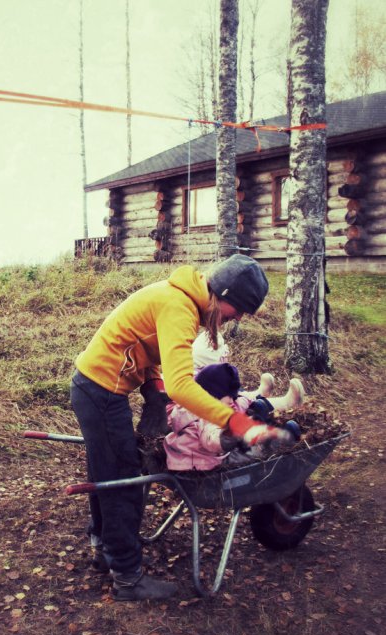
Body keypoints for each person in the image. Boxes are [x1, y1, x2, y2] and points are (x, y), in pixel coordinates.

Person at [70, 254, 293, 602]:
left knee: (108, 473)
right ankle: (127, 578)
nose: (237, 319)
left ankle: (103, 549)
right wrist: (236, 421)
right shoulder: (180, 308)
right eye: (239, 310)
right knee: (122, 482)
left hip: (96, 387)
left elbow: (148, 351)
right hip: (100, 391)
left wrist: (154, 393)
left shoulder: (179, 298)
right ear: (225, 295)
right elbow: (182, 385)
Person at [164, 363, 305, 471]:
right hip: (203, 464)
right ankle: (280, 441)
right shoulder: (206, 416)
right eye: (229, 395)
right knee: (251, 452)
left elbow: (235, 400)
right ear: (213, 395)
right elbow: (212, 440)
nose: (232, 400)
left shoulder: (201, 403)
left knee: (246, 403)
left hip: (196, 458)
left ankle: (278, 400)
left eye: (234, 395)